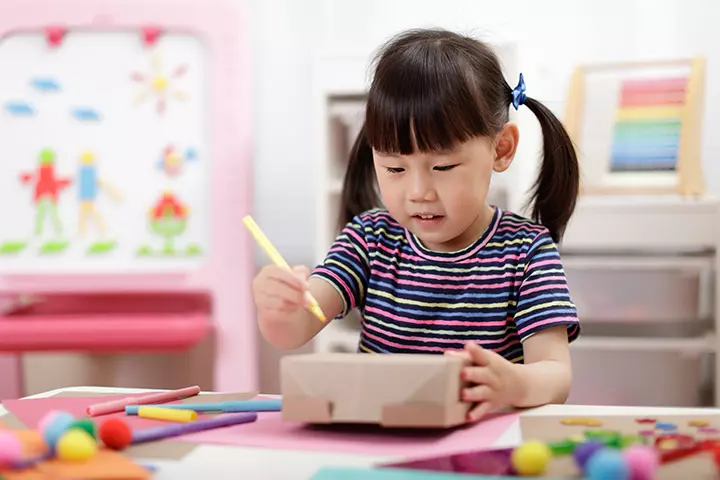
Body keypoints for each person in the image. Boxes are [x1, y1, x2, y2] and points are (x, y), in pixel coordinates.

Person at [252, 28, 581, 420]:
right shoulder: (369, 241)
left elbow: (556, 375)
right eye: (394, 168)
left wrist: (515, 383)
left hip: (478, 444)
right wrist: (279, 308)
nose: (418, 191)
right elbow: (294, 330)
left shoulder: (526, 252)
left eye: (442, 166)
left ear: (502, 148)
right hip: (377, 441)